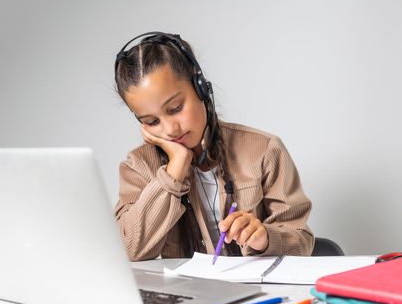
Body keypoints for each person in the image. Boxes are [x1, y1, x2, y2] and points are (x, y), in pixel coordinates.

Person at [114, 32, 314, 261]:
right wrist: (174, 171)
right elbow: (126, 251)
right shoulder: (138, 167)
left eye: (175, 108)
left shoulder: (264, 150)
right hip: (189, 294)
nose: (170, 129)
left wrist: (265, 238)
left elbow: (302, 241)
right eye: (151, 122)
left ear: (200, 88)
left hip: (259, 292)